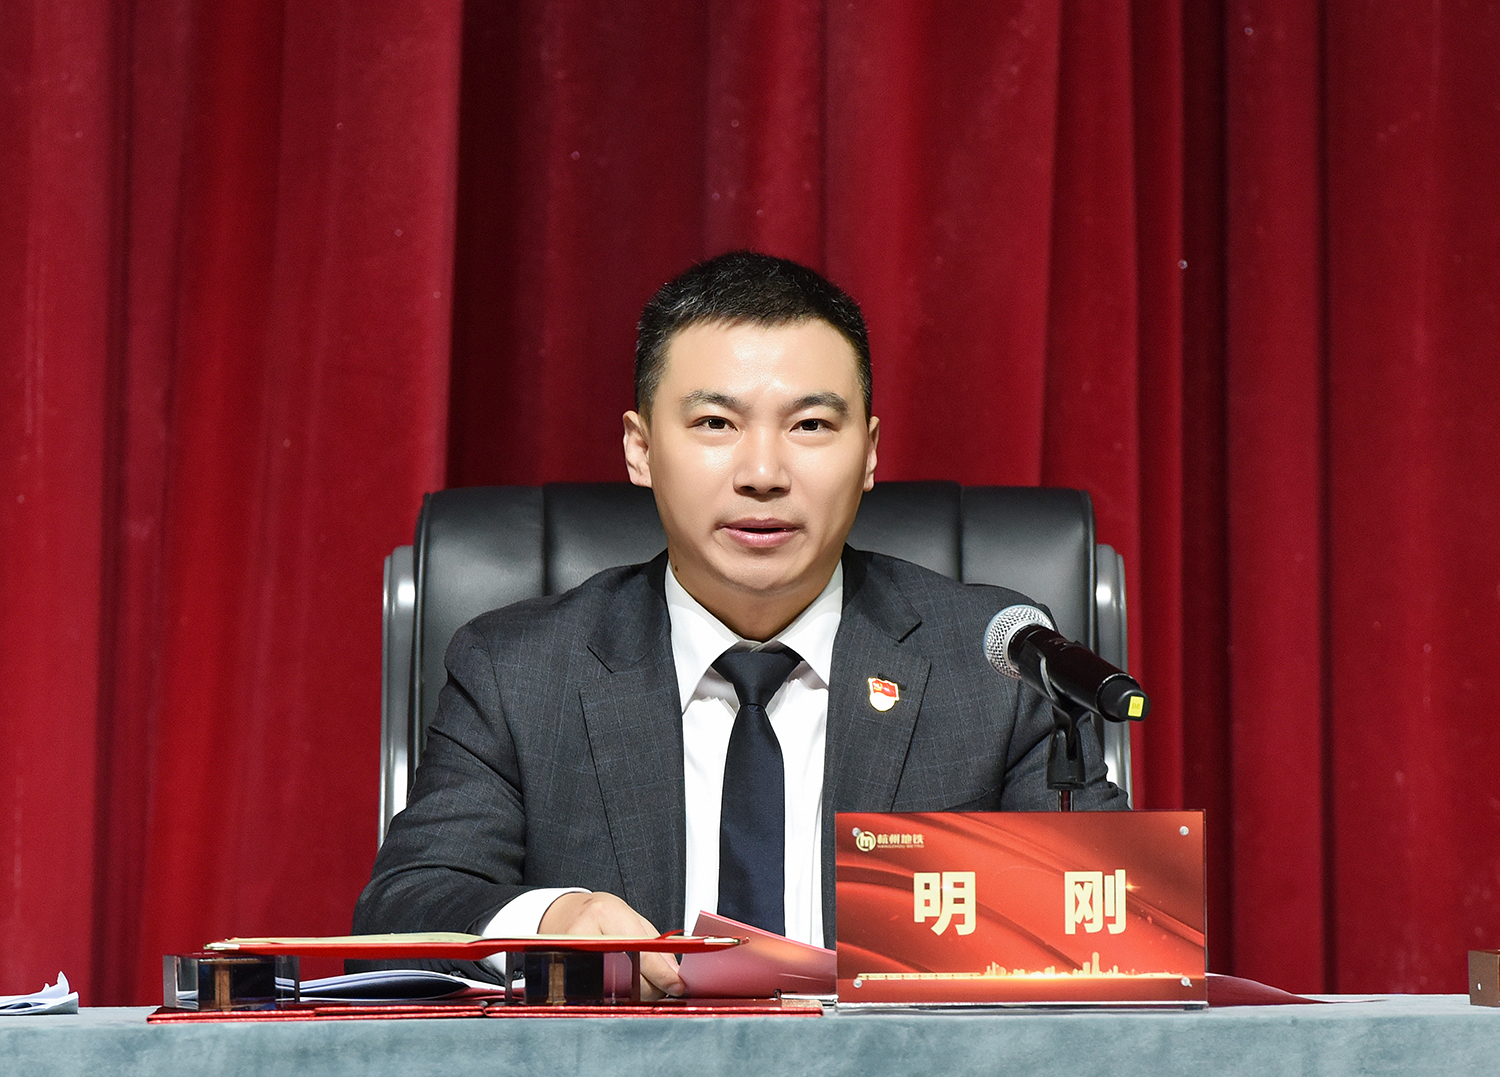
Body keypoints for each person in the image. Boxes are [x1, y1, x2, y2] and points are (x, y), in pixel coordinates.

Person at [354, 251, 1127, 994]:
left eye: (811, 426)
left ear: (869, 454)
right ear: (640, 449)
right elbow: (405, 908)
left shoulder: (995, 666)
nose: (763, 474)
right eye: (716, 423)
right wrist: (554, 918)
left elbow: (1109, 924)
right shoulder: (520, 672)